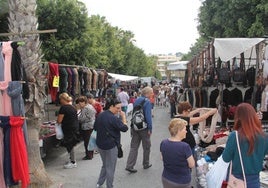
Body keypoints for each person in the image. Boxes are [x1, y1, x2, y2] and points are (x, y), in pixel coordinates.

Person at [222, 103, 268, 187]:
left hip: (237, 182)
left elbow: (225, 158)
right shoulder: (264, 137)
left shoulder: (234, 136)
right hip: (255, 182)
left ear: (238, 117)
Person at [94, 98, 128, 188]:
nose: (119, 110)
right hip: (111, 145)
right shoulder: (113, 118)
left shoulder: (100, 115)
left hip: (100, 144)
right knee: (110, 167)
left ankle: (99, 183)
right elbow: (125, 128)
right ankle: (109, 186)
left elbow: (95, 127)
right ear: (111, 106)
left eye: (120, 108)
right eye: (117, 108)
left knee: (105, 165)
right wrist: (124, 117)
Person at [160, 118, 195, 188]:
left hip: (166, 178)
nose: (186, 131)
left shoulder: (163, 143)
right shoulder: (185, 147)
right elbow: (192, 165)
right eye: (185, 129)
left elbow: (162, 158)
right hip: (182, 181)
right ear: (179, 131)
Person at [125, 86, 153, 173]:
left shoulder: (137, 100)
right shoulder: (147, 102)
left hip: (135, 126)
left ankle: (129, 165)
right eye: (151, 92)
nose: (152, 94)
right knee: (147, 146)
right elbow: (148, 116)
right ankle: (146, 163)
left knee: (134, 147)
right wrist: (150, 128)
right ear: (147, 93)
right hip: (143, 127)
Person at [57, 92, 79, 169]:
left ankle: (73, 162)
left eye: (60, 99)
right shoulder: (72, 107)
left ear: (63, 99)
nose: (60, 101)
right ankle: (71, 160)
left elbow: (59, 120)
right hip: (74, 127)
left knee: (70, 144)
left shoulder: (64, 108)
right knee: (71, 143)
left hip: (68, 128)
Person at [76, 96, 96, 160]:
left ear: (83, 102)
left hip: (87, 126)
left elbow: (82, 119)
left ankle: (88, 155)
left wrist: (78, 118)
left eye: (79, 103)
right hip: (91, 125)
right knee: (90, 141)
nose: (79, 105)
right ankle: (91, 154)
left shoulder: (85, 108)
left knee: (87, 142)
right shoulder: (90, 106)